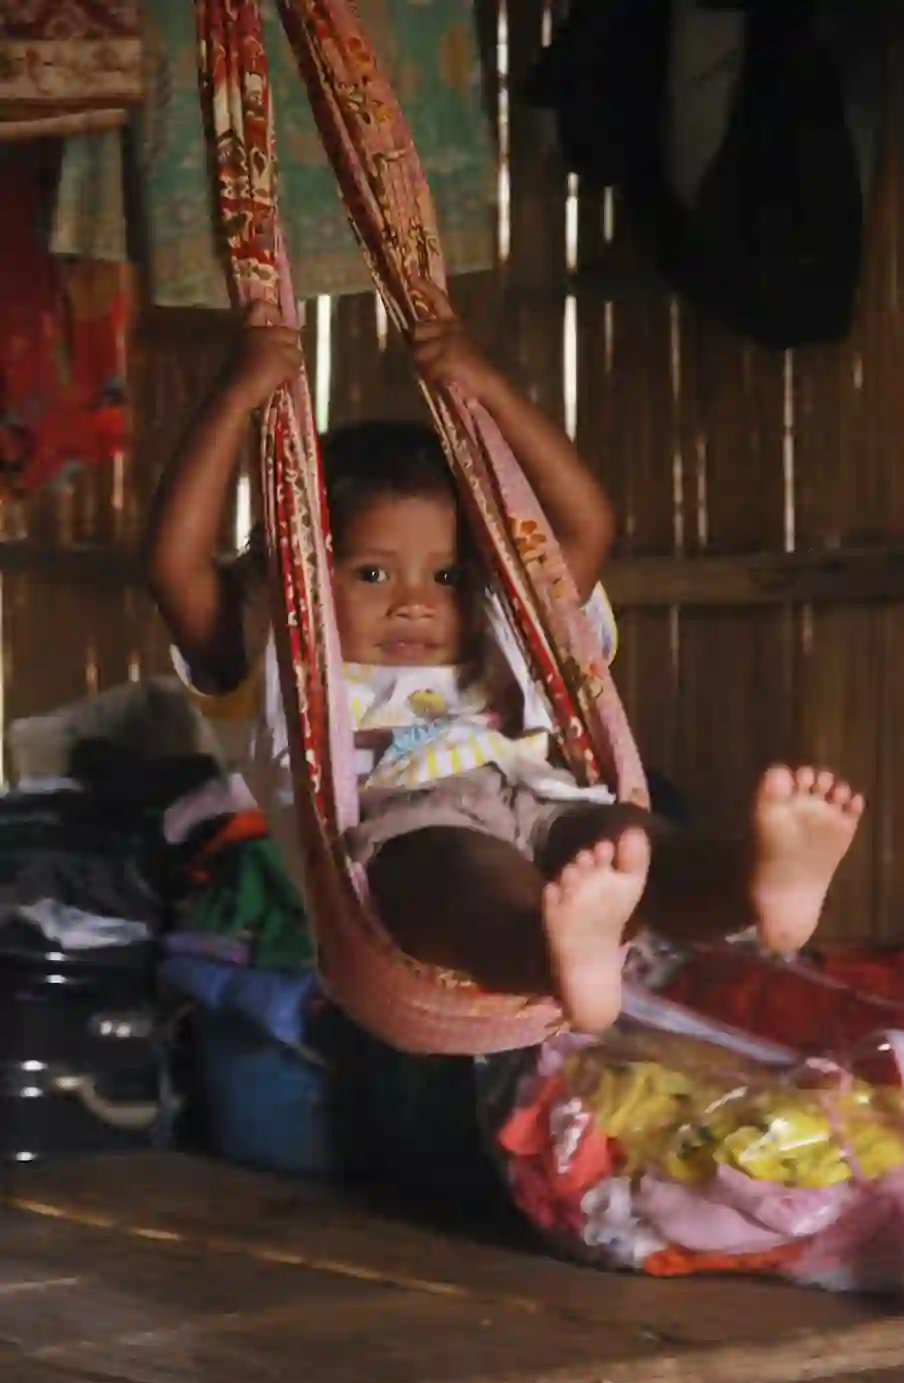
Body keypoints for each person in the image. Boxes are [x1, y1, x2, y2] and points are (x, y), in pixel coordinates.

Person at [145, 285, 865, 1036]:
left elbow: (585, 526)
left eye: (446, 575)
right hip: (402, 830)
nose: (414, 602)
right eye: (372, 573)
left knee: (629, 840)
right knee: (464, 873)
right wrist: (234, 398)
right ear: (299, 574)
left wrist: (485, 388)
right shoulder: (278, 657)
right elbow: (173, 567)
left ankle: (753, 885)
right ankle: (556, 953)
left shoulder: (499, 631)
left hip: (537, 795)